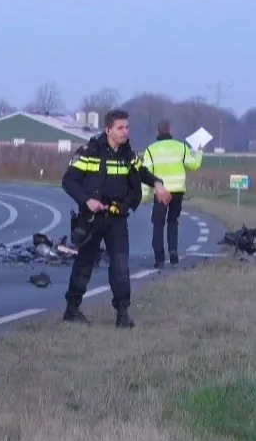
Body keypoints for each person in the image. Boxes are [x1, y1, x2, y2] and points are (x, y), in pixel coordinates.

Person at [60, 109, 169, 328]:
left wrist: (157, 184)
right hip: (91, 218)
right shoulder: (89, 151)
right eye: (120, 128)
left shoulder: (128, 155)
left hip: (117, 218)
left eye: (127, 127)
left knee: (120, 265)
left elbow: (142, 173)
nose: (125, 132)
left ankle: (122, 313)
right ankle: (72, 310)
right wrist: (86, 201)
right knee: (84, 264)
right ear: (108, 130)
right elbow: (68, 181)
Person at [138, 120, 202, 267]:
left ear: (157, 131)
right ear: (170, 130)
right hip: (178, 191)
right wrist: (199, 151)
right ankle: (173, 253)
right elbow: (194, 164)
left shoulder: (150, 150)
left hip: (160, 192)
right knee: (173, 222)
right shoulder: (180, 147)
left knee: (158, 224)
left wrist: (145, 197)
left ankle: (159, 259)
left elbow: (146, 175)